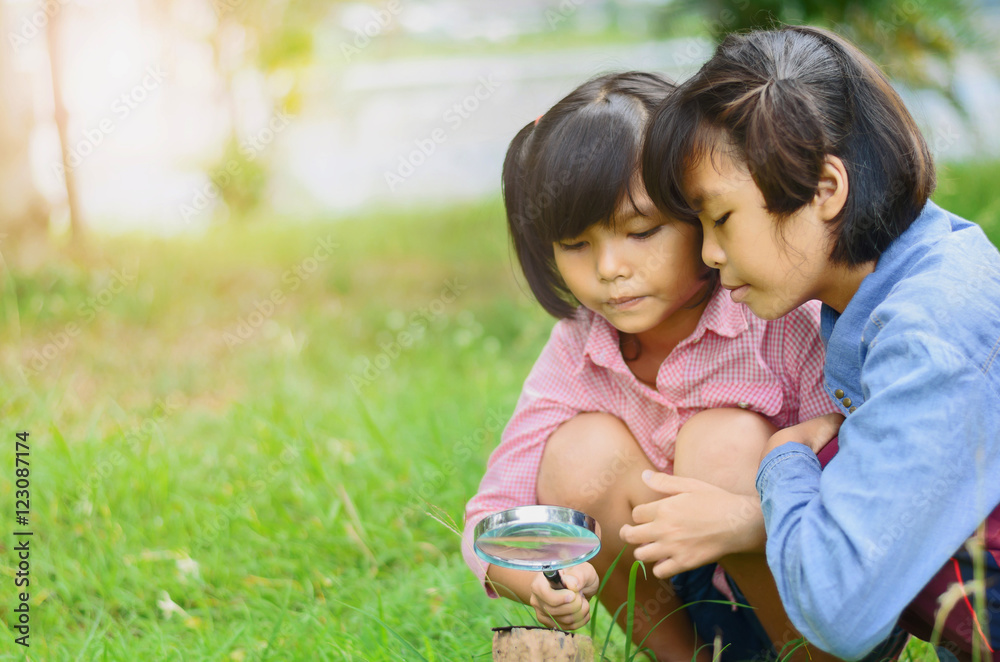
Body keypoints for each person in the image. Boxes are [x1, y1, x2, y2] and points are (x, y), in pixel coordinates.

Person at [639, 24, 1000, 661]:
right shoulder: (893, 293)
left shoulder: (931, 332)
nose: (709, 255)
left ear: (825, 189)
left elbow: (838, 609)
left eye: (721, 218)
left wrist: (784, 460)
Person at [462, 71, 847, 661]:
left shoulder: (775, 316)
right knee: (577, 451)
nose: (611, 266)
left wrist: (747, 520)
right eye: (576, 244)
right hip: (690, 597)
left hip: (809, 581)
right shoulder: (578, 347)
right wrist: (537, 580)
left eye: (640, 231)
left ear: (702, 213)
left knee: (724, 440)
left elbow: (862, 488)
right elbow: (493, 517)